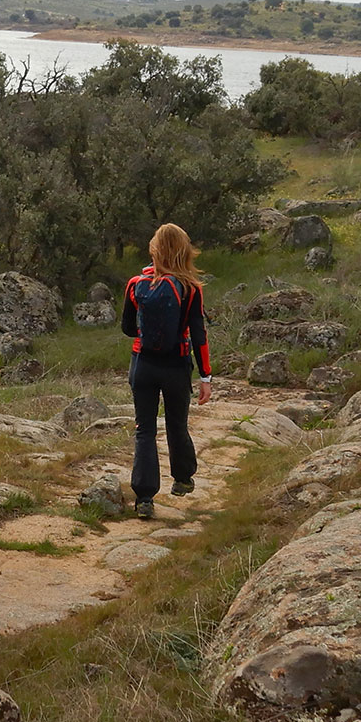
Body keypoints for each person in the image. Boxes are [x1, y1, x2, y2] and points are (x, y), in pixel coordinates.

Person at [122, 223, 212, 520]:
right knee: (176, 423)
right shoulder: (191, 288)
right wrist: (205, 377)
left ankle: (145, 498)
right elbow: (199, 336)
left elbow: (127, 328)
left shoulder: (136, 284)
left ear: (154, 249)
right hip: (176, 366)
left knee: (144, 430)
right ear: (185, 251)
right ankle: (183, 478)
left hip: (143, 365)